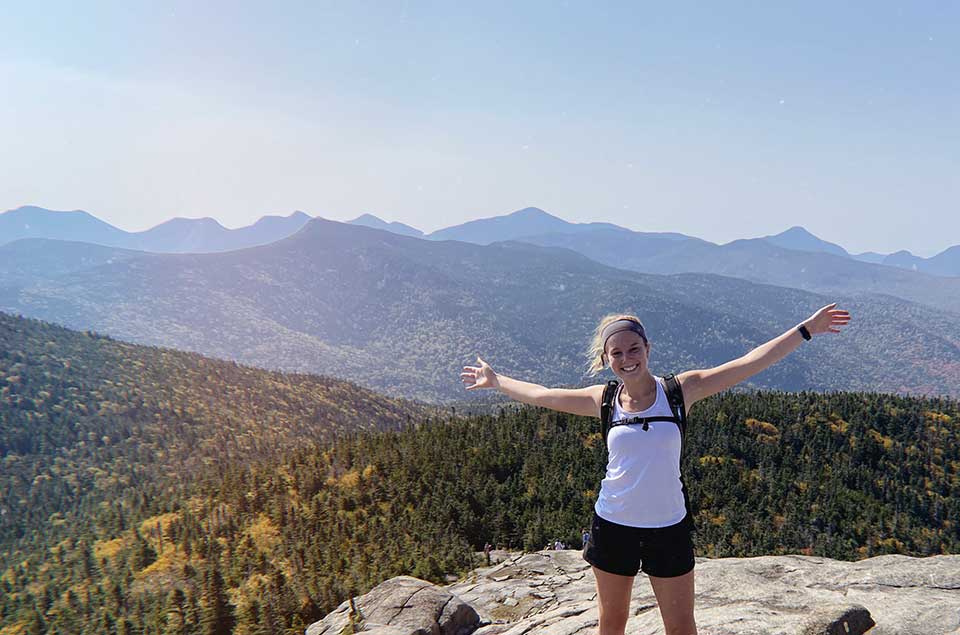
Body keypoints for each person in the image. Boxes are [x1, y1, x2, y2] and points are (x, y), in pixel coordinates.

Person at [461, 303, 850, 635]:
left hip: (669, 528)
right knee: (611, 626)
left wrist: (806, 330)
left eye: (634, 349)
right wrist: (497, 382)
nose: (627, 359)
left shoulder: (681, 391)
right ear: (606, 359)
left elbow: (748, 363)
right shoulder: (604, 400)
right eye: (617, 353)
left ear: (648, 348)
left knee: (681, 629)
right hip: (612, 525)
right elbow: (543, 394)